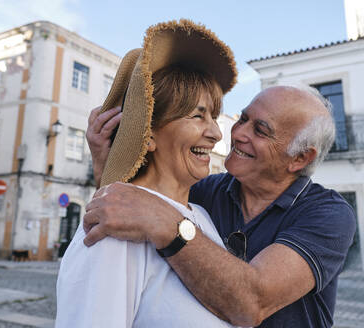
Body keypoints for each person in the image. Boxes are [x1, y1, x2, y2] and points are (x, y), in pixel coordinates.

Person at [83, 84, 357, 327]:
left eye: (260, 130)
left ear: (299, 158)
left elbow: (252, 304)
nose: (236, 133)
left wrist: (170, 225)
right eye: (244, 119)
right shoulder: (204, 190)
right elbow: (125, 211)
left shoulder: (328, 214)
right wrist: (106, 165)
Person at [56, 19, 239, 327]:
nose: (216, 134)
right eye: (198, 115)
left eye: (215, 117)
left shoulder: (201, 218)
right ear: (148, 134)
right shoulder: (115, 228)